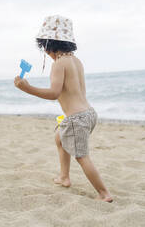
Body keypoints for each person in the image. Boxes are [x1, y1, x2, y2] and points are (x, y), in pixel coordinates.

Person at [14, 15, 113, 202]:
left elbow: (54, 93)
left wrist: (27, 88)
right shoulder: (76, 61)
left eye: (44, 47)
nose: (45, 51)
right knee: (60, 137)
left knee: (81, 156)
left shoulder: (59, 64)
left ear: (49, 44)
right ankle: (64, 177)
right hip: (89, 113)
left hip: (76, 119)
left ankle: (103, 193)